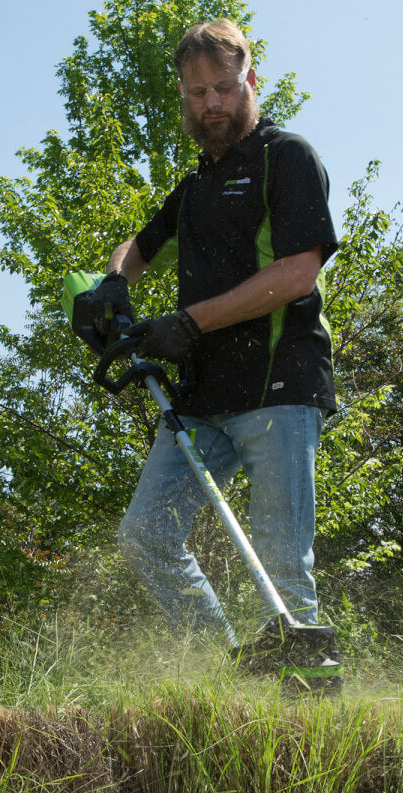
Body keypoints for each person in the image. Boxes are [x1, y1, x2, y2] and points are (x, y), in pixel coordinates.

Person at [91, 19, 338, 645]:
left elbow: (297, 273)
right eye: (197, 93)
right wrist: (113, 283)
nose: (212, 105)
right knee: (146, 534)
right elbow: (139, 246)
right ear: (183, 95)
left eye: (224, 88)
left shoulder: (288, 158)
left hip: (280, 384)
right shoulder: (194, 187)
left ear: (250, 80)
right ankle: (226, 667)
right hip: (202, 398)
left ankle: (305, 694)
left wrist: (189, 322)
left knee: (283, 564)